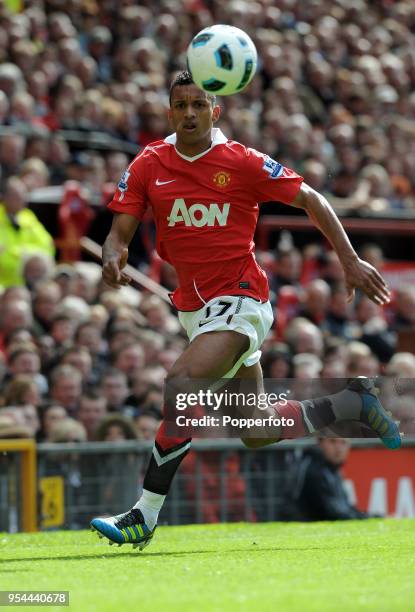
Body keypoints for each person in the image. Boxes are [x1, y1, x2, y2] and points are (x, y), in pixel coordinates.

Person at [91, 71, 400, 550]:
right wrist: (113, 255)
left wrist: (350, 258)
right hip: (194, 309)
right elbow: (120, 231)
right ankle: (351, 404)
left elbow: (311, 199)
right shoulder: (150, 161)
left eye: (199, 104)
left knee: (183, 385)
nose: (189, 113)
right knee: (253, 429)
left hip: (242, 301)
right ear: (169, 111)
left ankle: (144, 515)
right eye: (180, 105)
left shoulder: (243, 161)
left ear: (217, 111)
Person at [285, 438, 376, 521]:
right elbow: (329, 512)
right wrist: (362, 517)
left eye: (343, 442)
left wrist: (365, 516)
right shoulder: (312, 469)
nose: (338, 448)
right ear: (320, 443)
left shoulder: (331, 469)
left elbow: (343, 506)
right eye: (332, 441)